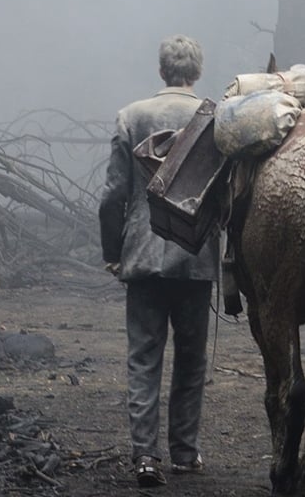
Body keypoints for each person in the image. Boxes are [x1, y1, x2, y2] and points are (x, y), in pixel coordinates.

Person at [100, 35, 220, 488]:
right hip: (195, 255)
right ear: (197, 72)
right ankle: (185, 454)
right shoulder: (216, 117)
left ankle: (145, 457)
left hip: (143, 256)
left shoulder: (131, 117)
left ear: (161, 71)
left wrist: (114, 252)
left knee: (144, 358)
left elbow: (112, 196)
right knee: (191, 360)